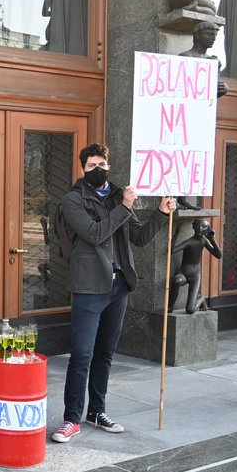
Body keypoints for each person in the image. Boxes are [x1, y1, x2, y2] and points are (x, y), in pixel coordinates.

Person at [52, 143, 175, 443]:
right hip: (89, 288)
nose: (98, 170)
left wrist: (160, 212)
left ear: (109, 166)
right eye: (92, 165)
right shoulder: (73, 200)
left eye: (102, 165)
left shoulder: (119, 198)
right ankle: (71, 418)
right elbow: (95, 234)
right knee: (82, 354)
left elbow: (140, 237)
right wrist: (124, 207)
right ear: (83, 169)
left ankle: (97, 410)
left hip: (119, 287)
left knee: (105, 354)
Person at [168, 219, 222, 314]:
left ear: (208, 229)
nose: (200, 228)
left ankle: (201, 299)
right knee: (177, 281)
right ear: (194, 227)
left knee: (190, 310)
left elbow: (218, 255)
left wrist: (212, 239)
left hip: (195, 276)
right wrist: (176, 233)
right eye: (198, 226)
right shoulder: (190, 242)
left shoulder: (204, 241)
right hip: (183, 273)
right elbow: (170, 251)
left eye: (203, 227)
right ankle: (170, 306)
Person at [178, 21, 229, 97]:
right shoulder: (185, 57)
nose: (214, 38)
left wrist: (223, 88)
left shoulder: (214, 61)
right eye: (209, 34)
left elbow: (211, 91)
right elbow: (180, 86)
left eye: (215, 35)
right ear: (197, 35)